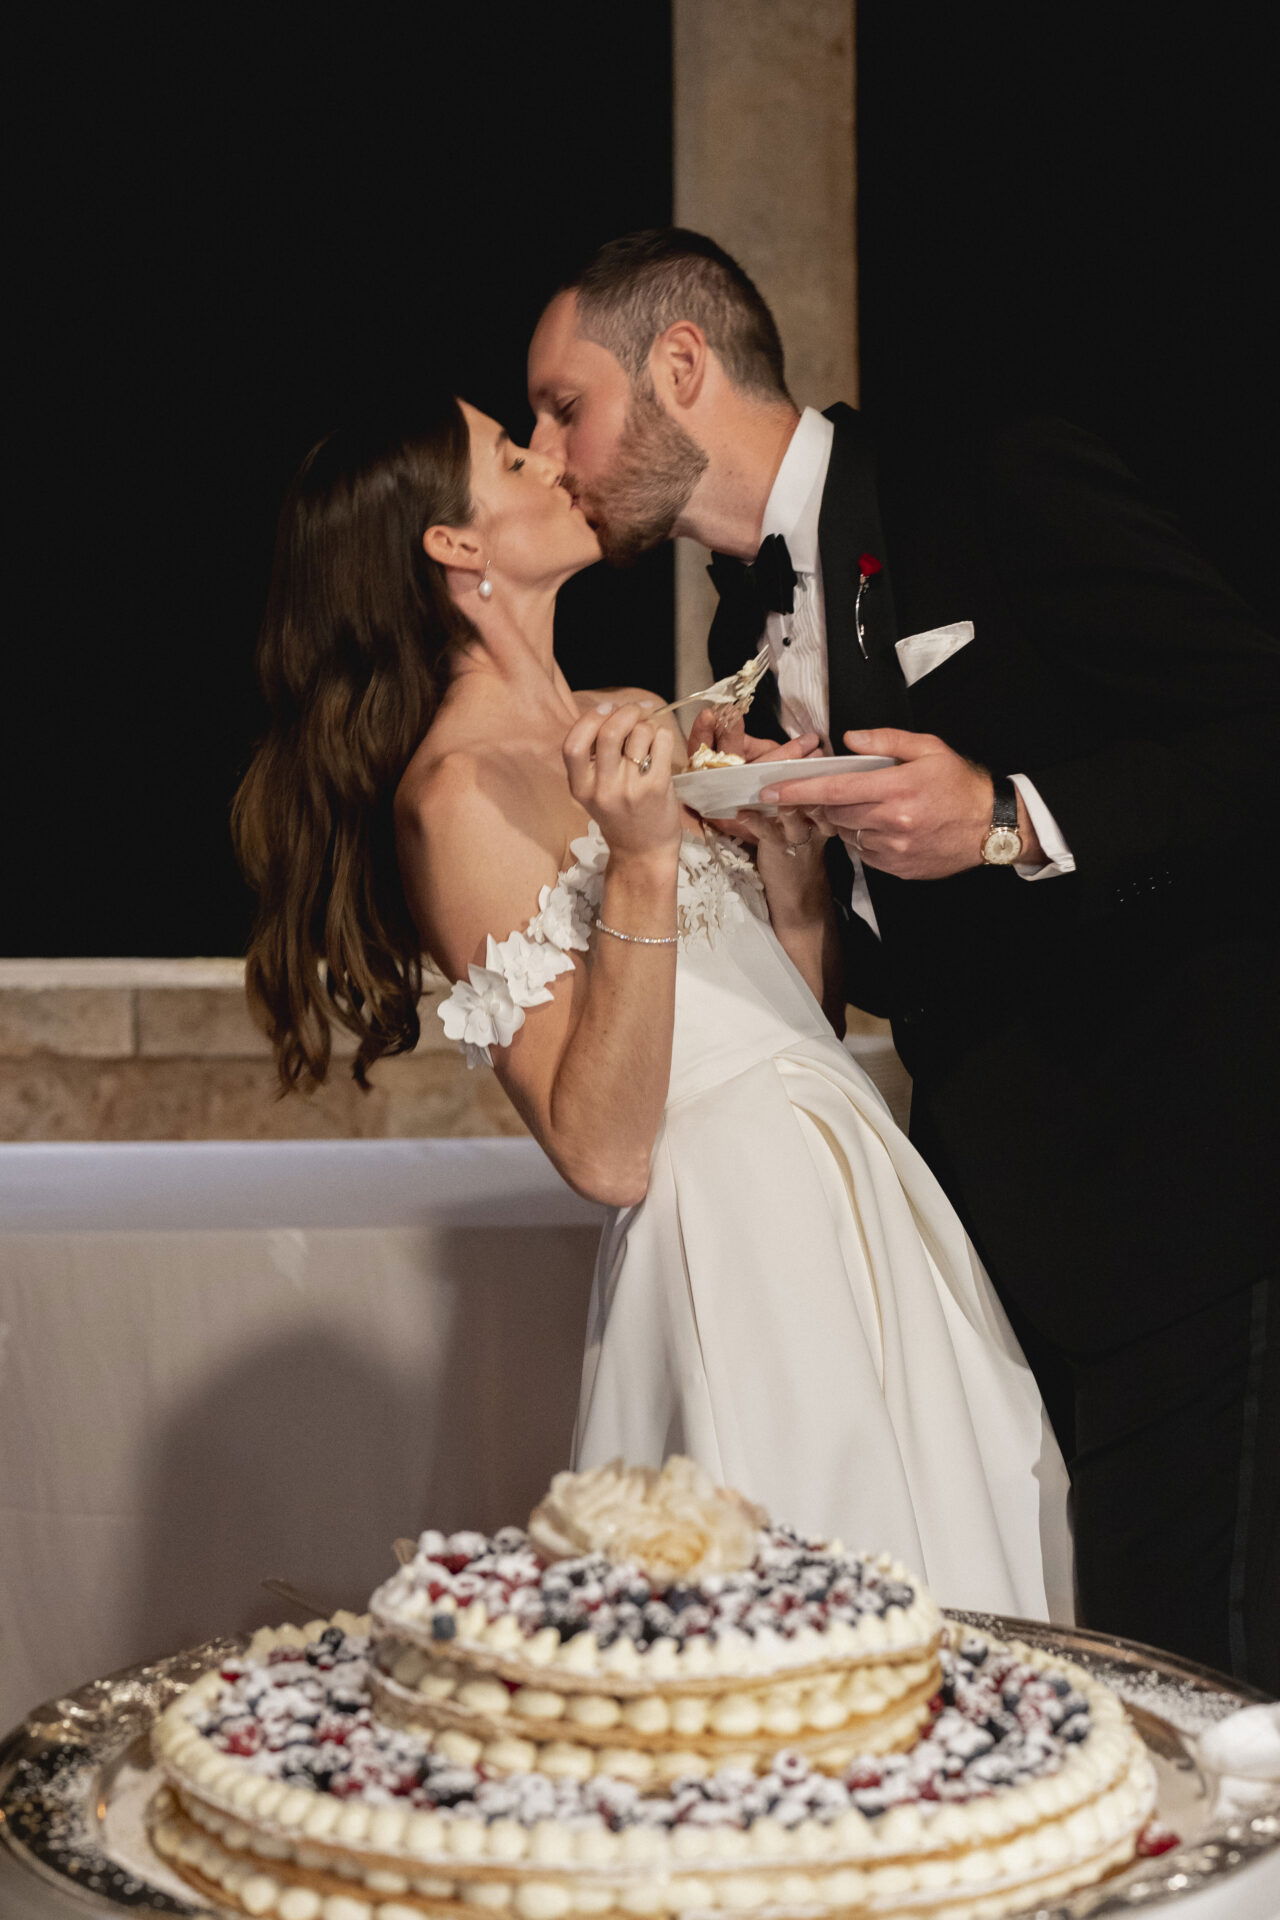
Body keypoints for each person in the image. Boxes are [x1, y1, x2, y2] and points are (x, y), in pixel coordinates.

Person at [526, 227, 1280, 1692]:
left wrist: (1009, 815)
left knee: (1210, 1692)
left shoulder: (990, 478)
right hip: (989, 1226)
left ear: (681, 364)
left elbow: (1258, 732)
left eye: (569, 406)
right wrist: (803, 876)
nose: (556, 453)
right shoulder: (740, 626)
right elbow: (896, 960)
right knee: (1058, 1678)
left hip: (1187, 1198)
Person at [232, 394, 1073, 1622]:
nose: (553, 462)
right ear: (453, 545)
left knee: (959, 1568)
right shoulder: (453, 796)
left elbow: (794, 1022)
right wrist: (638, 858)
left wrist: (781, 857)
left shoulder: (621, 718)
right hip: (731, 1242)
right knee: (787, 1625)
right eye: (514, 457)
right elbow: (604, 1149)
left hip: (849, 1189)